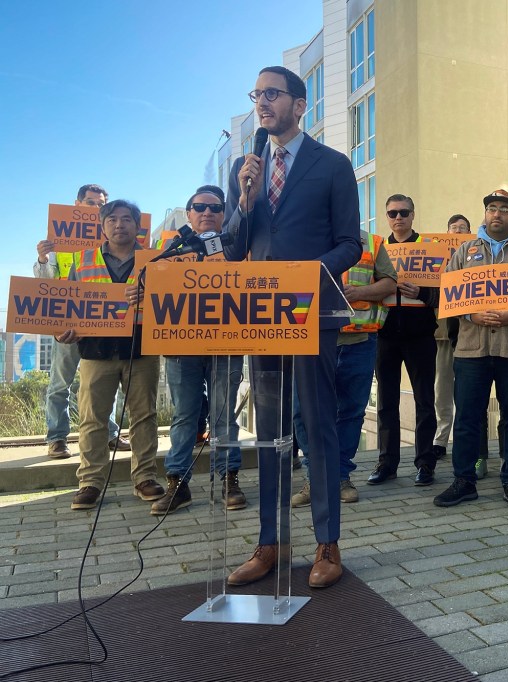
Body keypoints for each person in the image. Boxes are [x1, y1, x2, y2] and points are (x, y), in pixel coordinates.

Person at [224, 65, 361, 589]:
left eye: (273, 94)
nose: (263, 102)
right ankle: (270, 543)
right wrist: (243, 201)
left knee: (318, 428)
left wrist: (305, 277)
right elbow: (236, 249)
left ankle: (328, 544)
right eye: (256, 94)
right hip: (260, 320)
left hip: (311, 314)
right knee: (272, 434)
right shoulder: (247, 168)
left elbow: (350, 242)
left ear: (299, 105)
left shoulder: (332, 165)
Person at [433, 189, 508, 511]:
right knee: (468, 419)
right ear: (485, 214)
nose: (497, 214)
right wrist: (470, 314)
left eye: (504, 209)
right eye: (491, 209)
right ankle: (464, 481)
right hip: (472, 350)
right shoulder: (465, 251)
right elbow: (449, 290)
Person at [57, 200, 163, 511]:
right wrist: (62, 331)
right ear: (102, 226)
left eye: (127, 219)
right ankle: (90, 482)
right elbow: (66, 306)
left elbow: (172, 301)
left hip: (141, 349)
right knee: (93, 419)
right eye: (113, 220)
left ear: (137, 226)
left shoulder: (156, 260)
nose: (120, 225)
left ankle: (144, 477)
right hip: (96, 352)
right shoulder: (82, 261)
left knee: (144, 416)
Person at [150, 186, 245, 515]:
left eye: (215, 207)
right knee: (185, 416)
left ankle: (228, 478)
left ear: (223, 213)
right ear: (188, 214)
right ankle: (178, 484)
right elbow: (149, 288)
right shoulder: (168, 248)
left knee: (223, 415)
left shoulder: (236, 245)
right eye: (199, 207)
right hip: (181, 347)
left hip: (228, 344)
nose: (207, 212)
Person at [293, 227, 397, 507]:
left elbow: (389, 284)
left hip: (358, 340)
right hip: (310, 339)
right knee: (303, 411)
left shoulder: (372, 243)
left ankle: (339, 476)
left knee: (350, 411)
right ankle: (316, 477)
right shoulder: (304, 235)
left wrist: (359, 292)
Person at [35, 184, 129, 459]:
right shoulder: (58, 242)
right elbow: (44, 283)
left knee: (105, 381)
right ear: (77, 204)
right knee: (60, 382)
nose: (96, 208)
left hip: (101, 320)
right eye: (90, 202)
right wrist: (42, 257)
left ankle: (110, 434)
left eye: (101, 204)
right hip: (67, 319)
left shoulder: (111, 238)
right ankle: (57, 438)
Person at [368, 194, 440, 487]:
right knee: (386, 401)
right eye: (392, 213)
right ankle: (387, 463)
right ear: (386, 217)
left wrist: (421, 293)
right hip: (384, 333)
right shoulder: (376, 250)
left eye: (404, 212)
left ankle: (425, 463)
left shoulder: (431, 250)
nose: (398, 218)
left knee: (425, 400)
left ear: (413, 214)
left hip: (420, 334)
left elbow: (448, 295)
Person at [433, 213, 472, 460]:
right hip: (442, 334)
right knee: (442, 390)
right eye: (454, 228)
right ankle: (440, 438)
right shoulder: (434, 258)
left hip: (469, 333)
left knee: (468, 391)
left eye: (463, 228)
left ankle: (465, 438)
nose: (457, 231)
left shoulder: (476, 257)